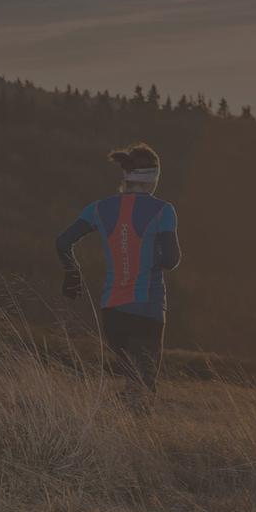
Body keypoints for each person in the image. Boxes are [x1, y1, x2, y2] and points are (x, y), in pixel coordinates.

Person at [55, 143, 181, 405]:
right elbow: (171, 260)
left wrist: (72, 272)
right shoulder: (163, 210)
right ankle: (131, 436)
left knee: (132, 380)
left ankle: (119, 425)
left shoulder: (99, 208)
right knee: (143, 386)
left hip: (112, 313)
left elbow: (63, 242)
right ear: (153, 179)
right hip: (148, 310)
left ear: (126, 176)